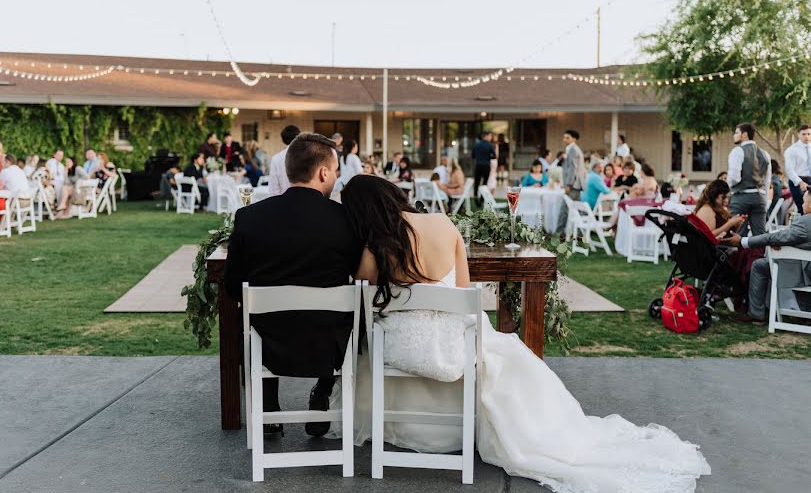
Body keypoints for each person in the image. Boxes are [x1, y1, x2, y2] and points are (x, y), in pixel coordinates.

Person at [336, 175, 710, 492]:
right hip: (451, 349)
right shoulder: (442, 224)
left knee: (373, 344)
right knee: (506, 354)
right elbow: (468, 293)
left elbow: (363, 302)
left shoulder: (373, 249)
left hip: (400, 352)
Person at [225, 133, 364, 439]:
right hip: (329, 344)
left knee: (248, 318)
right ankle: (322, 392)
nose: (338, 177)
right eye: (337, 170)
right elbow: (361, 276)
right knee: (354, 315)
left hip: (269, 343)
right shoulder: (347, 221)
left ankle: (269, 406)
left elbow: (233, 286)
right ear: (323, 172)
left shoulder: (249, 218)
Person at [722, 190, 811, 324]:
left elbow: (776, 237)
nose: (802, 204)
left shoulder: (805, 222)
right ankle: (803, 312)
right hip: (805, 265)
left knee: (759, 265)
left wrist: (743, 241)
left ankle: (757, 314)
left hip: (805, 272)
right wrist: (782, 242)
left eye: (804, 201)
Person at [726, 122, 771, 237]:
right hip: (760, 198)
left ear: (744, 134)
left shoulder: (737, 151)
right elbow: (767, 181)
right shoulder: (765, 154)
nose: (734, 135)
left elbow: (734, 178)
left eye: (736, 132)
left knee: (736, 234)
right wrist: (764, 199)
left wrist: (728, 189)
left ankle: (737, 255)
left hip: (741, 198)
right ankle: (759, 255)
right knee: (759, 236)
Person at [783, 125, 811, 215]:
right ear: (798, 134)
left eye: (809, 134)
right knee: (804, 209)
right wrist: (800, 182)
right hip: (798, 181)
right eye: (804, 134)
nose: (806, 136)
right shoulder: (792, 150)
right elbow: (789, 170)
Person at [268, 125, 301, 196]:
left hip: (282, 202)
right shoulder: (307, 156)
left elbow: (273, 190)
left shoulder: (276, 158)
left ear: (283, 139)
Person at [561, 130, 586, 200]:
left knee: (564, 209)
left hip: (573, 184)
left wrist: (569, 184)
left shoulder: (573, 149)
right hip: (575, 184)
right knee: (575, 208)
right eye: (564, 138)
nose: (564, 140)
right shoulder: (571, 149)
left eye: (567, 138)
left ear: (574, 139)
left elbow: (573, 168)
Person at [471, 132, 496, 198]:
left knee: (477, 182)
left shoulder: (476, 145)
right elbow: (494, 156)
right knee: (485, 183)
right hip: (486, 166)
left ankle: (475, 196)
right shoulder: (490, 145)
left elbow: (473, 156)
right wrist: (488, 157)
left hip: (478, 165)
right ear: (486, 136)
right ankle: (482, 197)